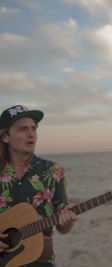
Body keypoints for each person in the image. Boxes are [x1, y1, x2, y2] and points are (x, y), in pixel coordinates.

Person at [0, 105, 78, 267]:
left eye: (33, 128)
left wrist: (67, 222)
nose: (31, 134)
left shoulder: (53, 172)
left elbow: (62, 227)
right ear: (6, 136)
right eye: (22, 129)